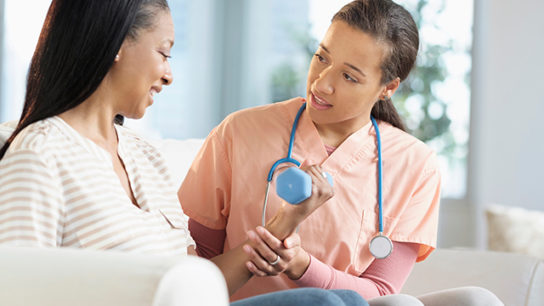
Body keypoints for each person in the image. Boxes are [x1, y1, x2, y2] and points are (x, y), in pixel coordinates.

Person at [0, 1, 369, 305]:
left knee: (346, 301)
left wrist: (287, 220)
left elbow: (202, 287)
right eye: (163, 53)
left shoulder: (144, 155)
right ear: (115, 46)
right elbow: (17, 289)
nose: (168, 75)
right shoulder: (39, 152)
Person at [178, 1, 503, 305]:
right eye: (321, 57)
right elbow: (196, 266)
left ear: (387, 88)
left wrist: (302, 266)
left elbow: (381, 292)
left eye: (349, 76)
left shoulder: (416, 166)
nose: (322, 83)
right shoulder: (239, 132)